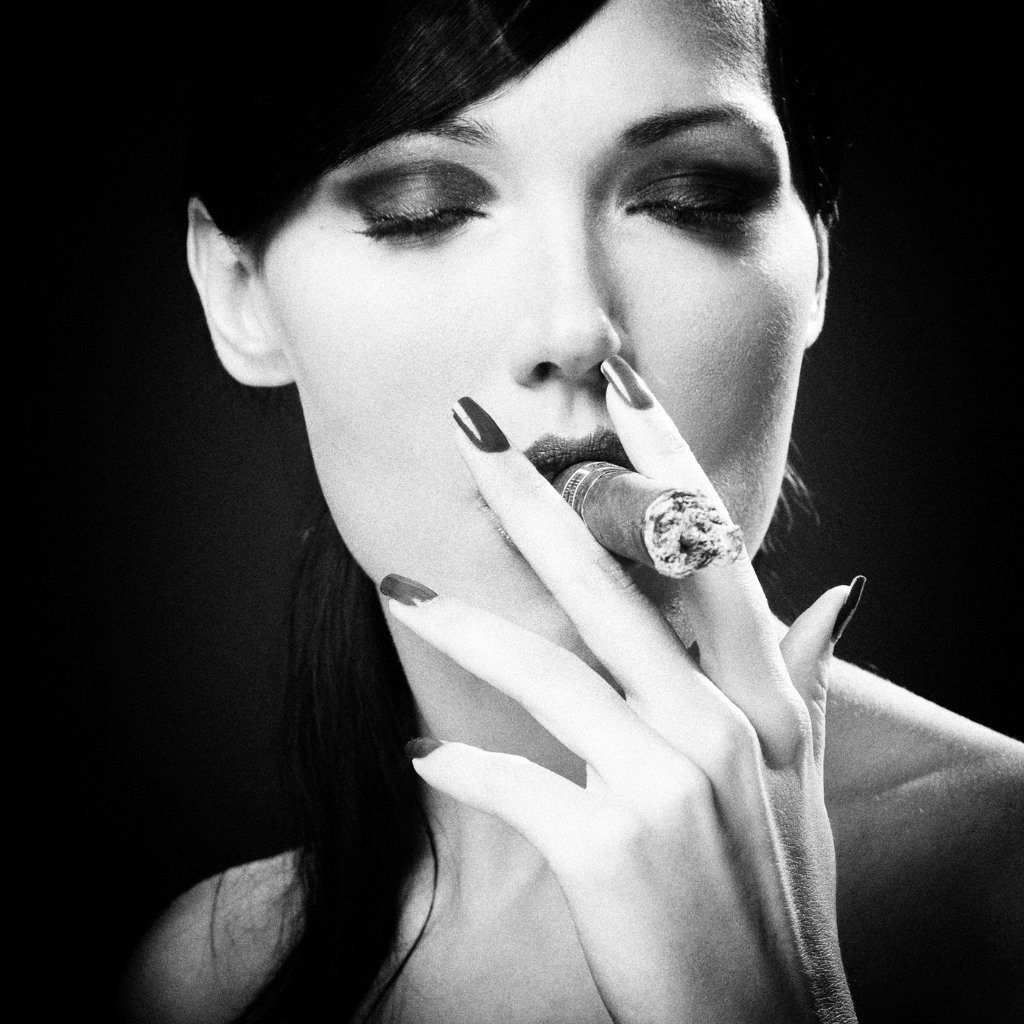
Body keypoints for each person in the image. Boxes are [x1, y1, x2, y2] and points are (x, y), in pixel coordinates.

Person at [119, 1, 1024, 1021]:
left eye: (690, 198)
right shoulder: (207, 981)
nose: (573, 327)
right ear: (239, 290)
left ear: (815, 268)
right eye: (425, 207)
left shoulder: (1003, 883)